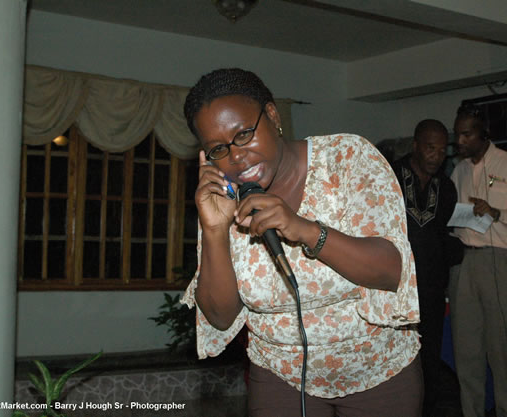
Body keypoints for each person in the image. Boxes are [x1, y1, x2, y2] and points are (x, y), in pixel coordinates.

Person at [180, 68, 422, 417]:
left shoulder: (347, 159)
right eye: (218, 149)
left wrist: (304, 229)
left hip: (377, 373)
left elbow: (390, 270)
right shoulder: (223, 199)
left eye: (244, 134)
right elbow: (219, 316)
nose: (236, 157)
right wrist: (215, 231)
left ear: (273, 116)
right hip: (281, 378)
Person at [448, 104, 507, 417]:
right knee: (466, 349)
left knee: (504, 349)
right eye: (457, 133)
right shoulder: (457, 171)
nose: (459, 140)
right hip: (463, 261)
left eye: (466, 134)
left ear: (483, 134)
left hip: (498, 260)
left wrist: (497, 213)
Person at [391, 119, 463, 417]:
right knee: (395, 356)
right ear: (416, 146)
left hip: (431, 287)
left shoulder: (445, 187)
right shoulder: (390, 176)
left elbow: (444, 233)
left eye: (442, 150)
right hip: (393, 285)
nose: (436, 155)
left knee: (429, 356)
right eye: (430, 148)